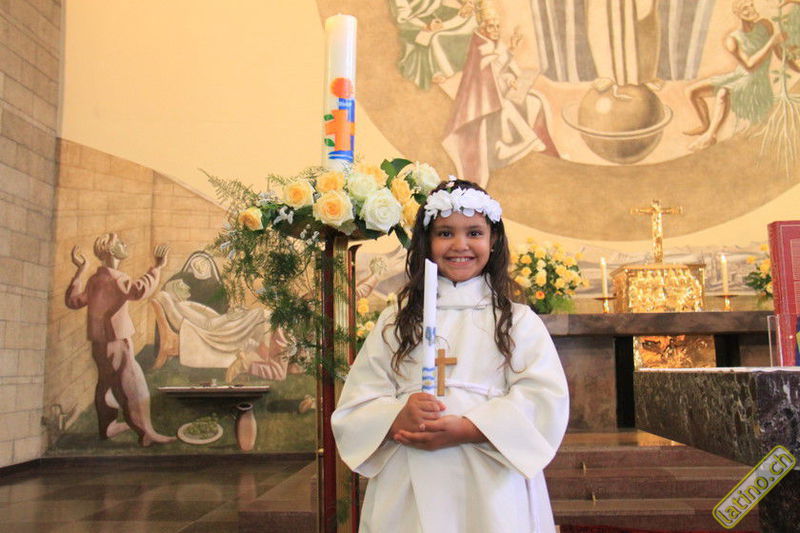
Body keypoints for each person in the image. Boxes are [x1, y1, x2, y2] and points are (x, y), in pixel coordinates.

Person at [332, 179, 569, 532]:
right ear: (427, 242)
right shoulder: (396, 321)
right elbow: (357, 404)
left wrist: (470, 429)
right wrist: (397, 416)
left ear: (493, 240)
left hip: (492, 482)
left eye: (474, 233)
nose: (460, 245)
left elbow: (543, 400)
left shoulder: (517, 322)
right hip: (408, 479)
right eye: (445, 233)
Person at [66, 233, 175, 446]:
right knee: (135, 385)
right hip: (117, 342)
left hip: (99, 344)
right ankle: (146, 433)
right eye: (119, 242)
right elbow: (139, 291)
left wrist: (81, 270)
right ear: (111, 250)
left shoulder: (95, 279)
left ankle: (107, 428)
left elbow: (73, 301)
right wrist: (157, 267)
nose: (124, 244)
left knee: (106, 384)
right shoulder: (117, 278)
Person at [442, 2, 558, 187]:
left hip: (499, 94)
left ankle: (542, 147)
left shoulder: (497, 44)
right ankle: (527, 142)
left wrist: (511, 78)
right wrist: (508, 57)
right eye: (491, 26)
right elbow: (487, 76)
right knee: (507, 108)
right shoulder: (480, 47)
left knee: (536, 101)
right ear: (482, 28)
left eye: (497, 26)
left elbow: (503, 71)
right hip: (484, 106)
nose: (495, 30)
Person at [684, 0, 791, 151]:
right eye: (745, 8)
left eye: (752, 5)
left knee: (723, 92)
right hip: (741, 75)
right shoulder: (732, 40)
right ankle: (705, 125)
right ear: (738, 14)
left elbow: (780, 54)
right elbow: (749, 65)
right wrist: (771, 42)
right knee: (691, 92)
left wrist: (790, 58)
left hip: (756, 82)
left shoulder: (765, 25)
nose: (751, 9)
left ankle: (710, 136)